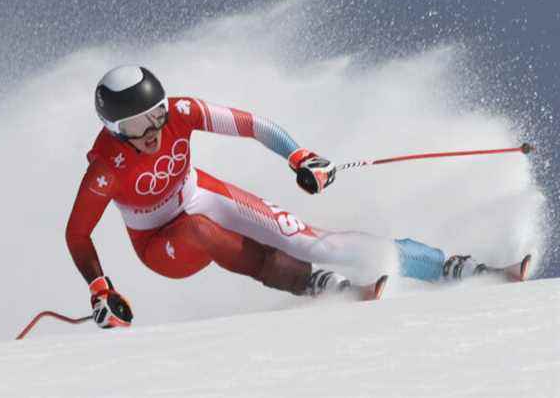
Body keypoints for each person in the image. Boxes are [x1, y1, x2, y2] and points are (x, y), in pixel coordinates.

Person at [65, 66, 485, 328]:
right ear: (116, 128)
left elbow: (252, 125)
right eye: (139, 124)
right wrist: (100, 289)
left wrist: (299, 154)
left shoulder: (183, 111)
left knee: (313, 241)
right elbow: (77, 234)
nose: (154, 128)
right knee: (197, 229)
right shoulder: (105, 167)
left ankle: (443, 266)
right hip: (160, 244)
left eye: (157, 112)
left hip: (197, 193)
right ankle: (309, 281)